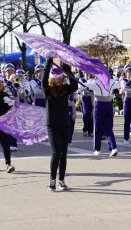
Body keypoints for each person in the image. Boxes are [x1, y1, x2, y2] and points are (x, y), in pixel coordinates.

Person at [42, 59, 78, 191]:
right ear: (53, 79)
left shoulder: (65, 89)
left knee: (64, 153)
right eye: (60, 78)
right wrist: (48, 64)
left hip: (65, 124)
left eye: (62, 78)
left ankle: (61, 180)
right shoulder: (48, 90)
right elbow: (43, 80)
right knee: (56, 152)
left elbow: (74, 85)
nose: (62, 80)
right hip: (52, 125)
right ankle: (52, 180)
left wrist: (66, 67)